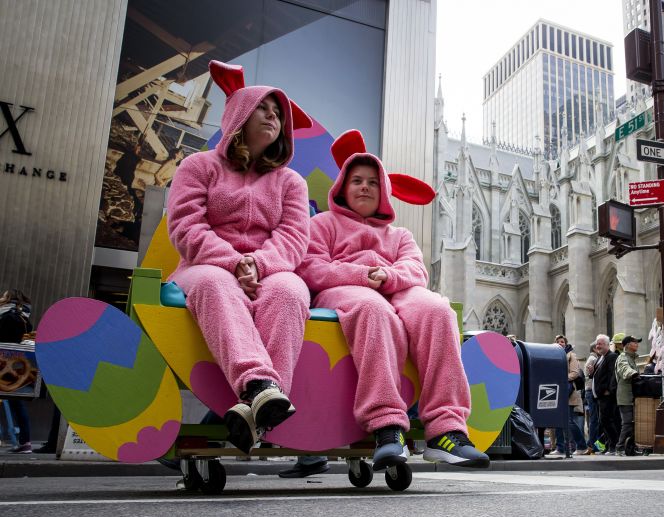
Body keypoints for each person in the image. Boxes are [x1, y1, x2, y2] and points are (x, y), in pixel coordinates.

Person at [296, 131, 488, 469]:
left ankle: (446, 431)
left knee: (438, 309)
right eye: (356, 180)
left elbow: (416, 270)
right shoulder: (322, 223)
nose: (365, 187)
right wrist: (359, 274)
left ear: (384, 191)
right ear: (342, 187)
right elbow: (311, 267)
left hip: (396, 289)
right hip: (345, 291)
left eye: (373, 182)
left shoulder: (400, 235)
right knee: (374, 309)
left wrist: (390, 276)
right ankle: (387, 426)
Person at [166, 61, 314, 454]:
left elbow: (295, 238)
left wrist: (260, 265)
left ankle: (256, 410)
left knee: (290, 289)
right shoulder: (197, 166)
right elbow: (185, 227)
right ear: (239, 116)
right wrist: (233, 262)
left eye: (278, 113)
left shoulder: (291, 182)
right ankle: (260, 387)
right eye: (264, 108)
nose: (273, 116)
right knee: (216, 282)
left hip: (271, 270)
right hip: (204, 269)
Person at [0, 289, 33, 454]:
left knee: (14, 402)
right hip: (18, 365)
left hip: (3, 362)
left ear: (9, 298)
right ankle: (25, 441)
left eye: (4, 295)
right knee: (16, 402)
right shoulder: (24, 318)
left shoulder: (6, 316)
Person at [554, 335, 587, 456]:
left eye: (562, 342)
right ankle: (560, 448)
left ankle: (582, 446)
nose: (560, 343)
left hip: (568, 392)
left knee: (569, 421)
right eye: (558, 342)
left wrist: (560, 379)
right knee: (557, 420)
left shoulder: (571, 355)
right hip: (557, 391)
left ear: (566, 343)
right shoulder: (554, 355)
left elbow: (575, 373)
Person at [591, 334, 619, 454]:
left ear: (607, 345)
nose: (598, 346)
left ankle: (614, 445)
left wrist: (608, 389)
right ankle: (608, 445)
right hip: (599, 395)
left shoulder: (612, 356)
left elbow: (612, 374)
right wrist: (591, 373)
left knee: (607, 420)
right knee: (603, 422)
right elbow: (599, 375)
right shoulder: (600, 358)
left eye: (601, 344)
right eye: (597, 344)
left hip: (606, 395)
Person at [616, 335, 642, 455]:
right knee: (627, 422)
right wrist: (634, 374)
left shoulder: (631, 358)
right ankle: (620, 448)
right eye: (634, 342)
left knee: (633, 423)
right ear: (627, 345)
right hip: (625, 396)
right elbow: (625, 369)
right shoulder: (623, 358)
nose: (637, 344)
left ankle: (631, 448)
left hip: (632, 395)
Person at [579, 343, 602, 455]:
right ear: (594, 348)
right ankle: (592, 445)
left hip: (590, 391)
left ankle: (593, 444)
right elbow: (589, 375)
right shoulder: (593, 359)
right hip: (591, 391)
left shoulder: (593, 358)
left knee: (594, 419)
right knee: (594, 419)